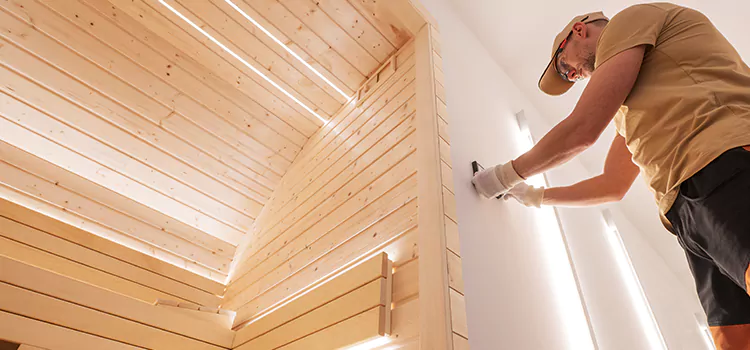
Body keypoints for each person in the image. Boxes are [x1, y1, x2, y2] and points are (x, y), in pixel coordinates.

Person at [471, 3, 750, 348]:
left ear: (579, 30)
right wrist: (536, 196)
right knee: (736, 341)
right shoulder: (634, 108)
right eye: (567, 76)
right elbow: (613, 185)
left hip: (723, 162)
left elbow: (583, 129)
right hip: (687, 213)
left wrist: (502, 176)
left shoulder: (630, 21)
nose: (572, 76)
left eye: (564, 65)